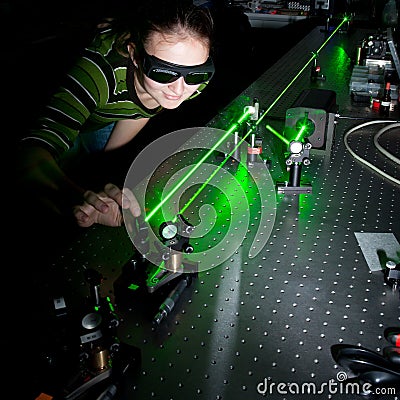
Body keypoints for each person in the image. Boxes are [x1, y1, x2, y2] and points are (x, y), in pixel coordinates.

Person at [17, 0, 215, 229]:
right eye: (162, 72)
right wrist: (76, 197)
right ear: (135, 55)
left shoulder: (197, 82)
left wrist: (102, 177)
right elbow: (32, 151)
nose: (180, 89)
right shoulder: (98, 73)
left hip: (108, 114)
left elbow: (142, 107)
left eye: (194, 74)